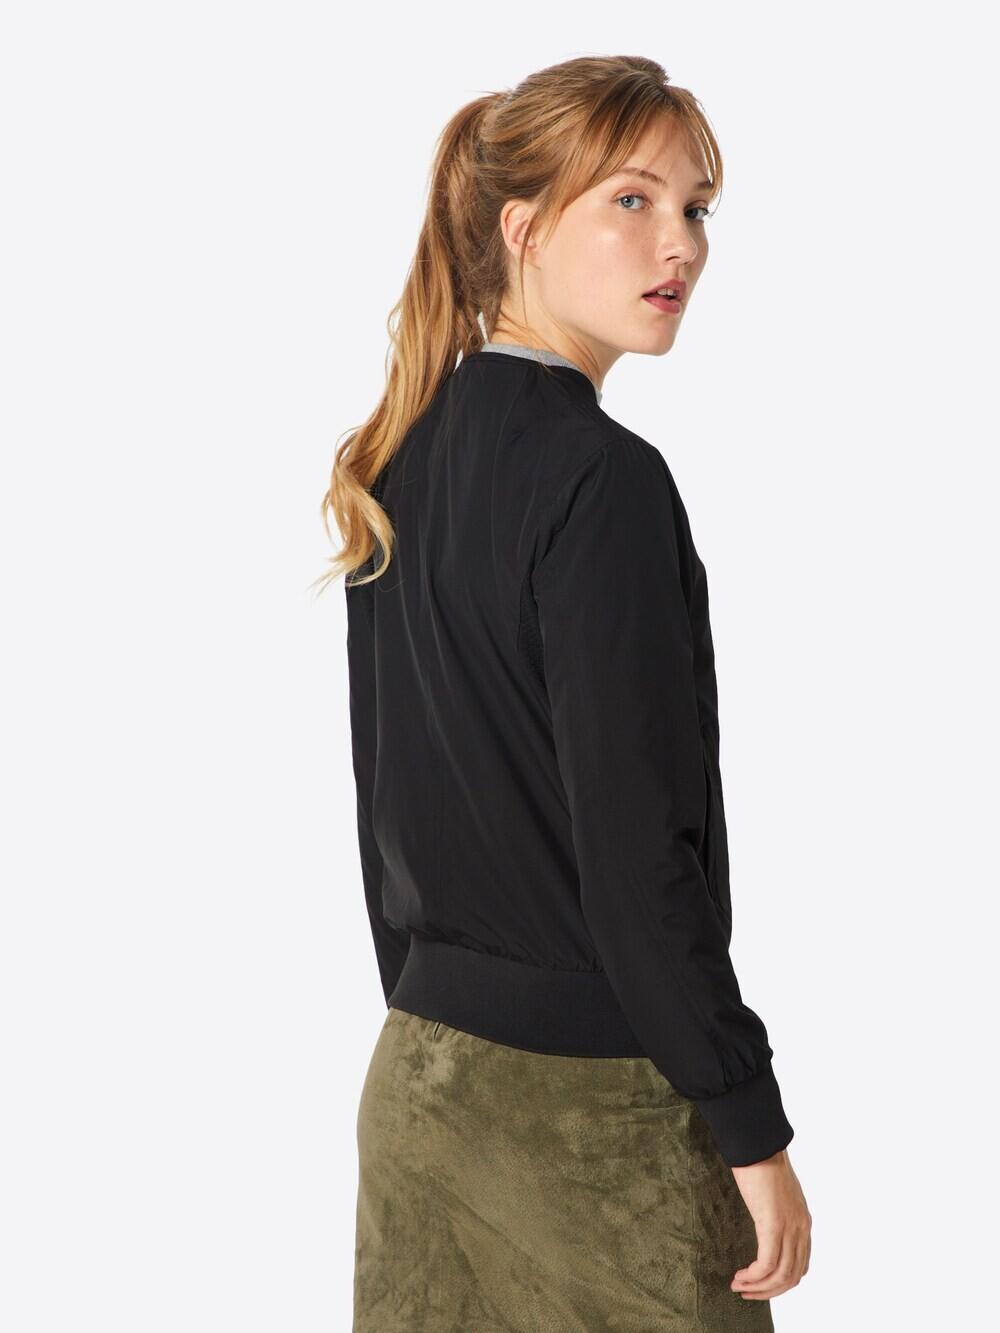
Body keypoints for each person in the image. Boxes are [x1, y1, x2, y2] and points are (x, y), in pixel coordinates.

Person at [318, 53, 812, 1331]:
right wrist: (747, 1122)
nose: (679, 243)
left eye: (695, 207)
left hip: (420, 1082)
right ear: (523, 229)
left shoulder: (398, 459)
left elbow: (384, 810)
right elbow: (637, 854)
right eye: (631, 201)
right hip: (593, 1117)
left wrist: (438, 1008)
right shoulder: (603, 481)